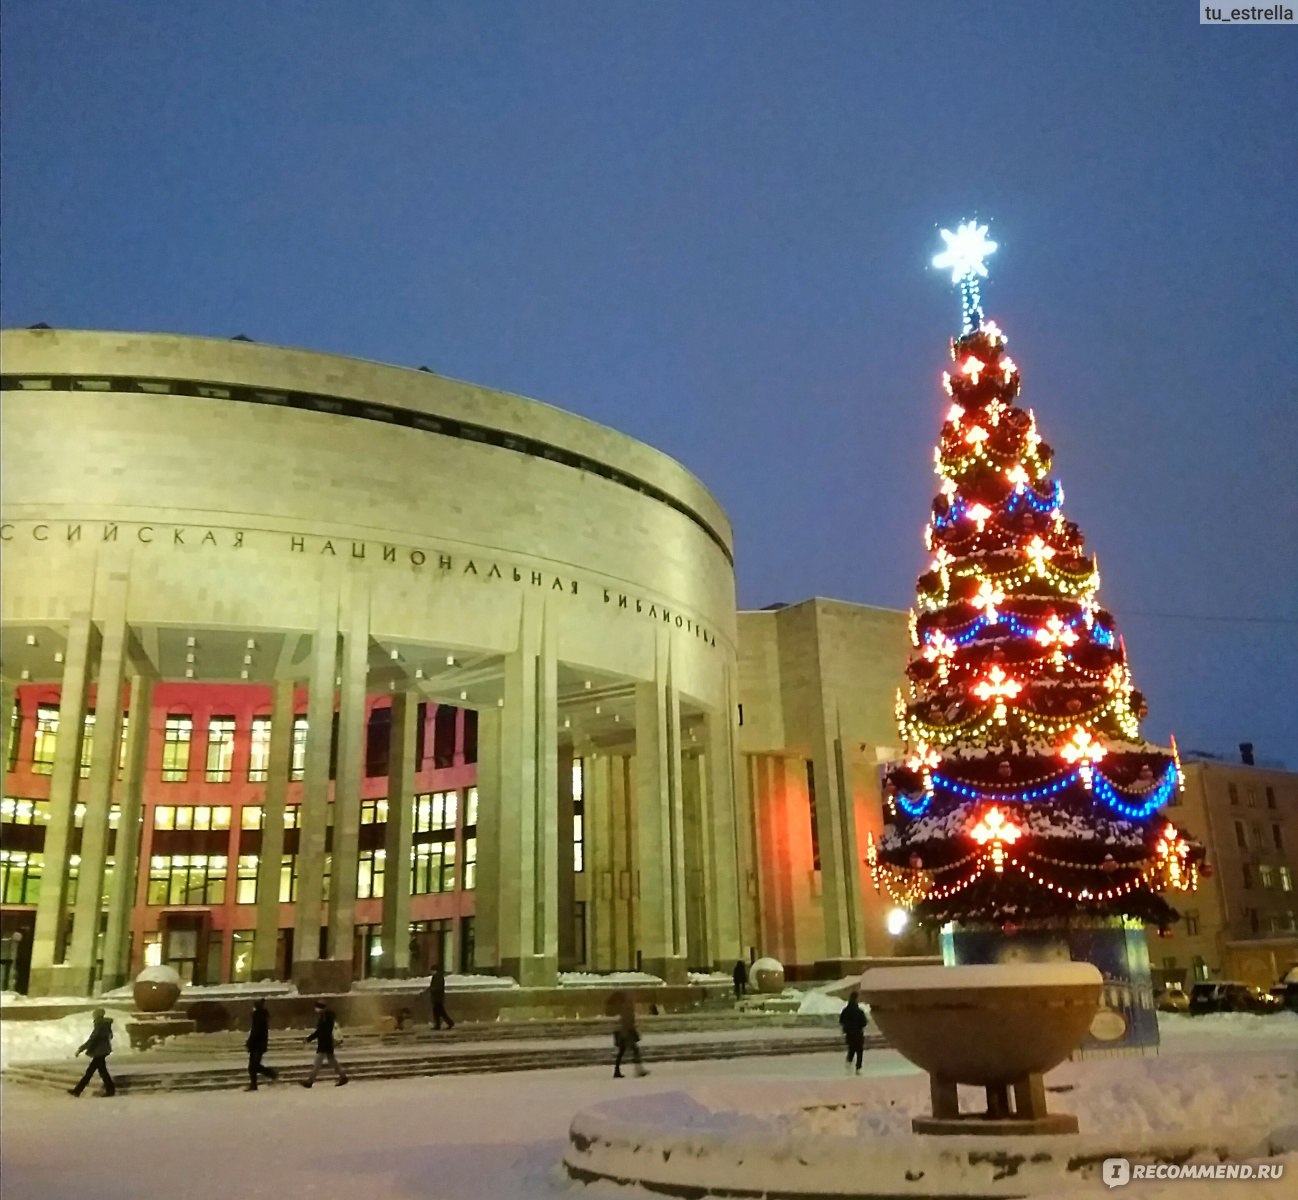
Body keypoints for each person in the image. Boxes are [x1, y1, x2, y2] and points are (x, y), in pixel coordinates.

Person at [69, 1008, 116, 1097]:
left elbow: (93, 1039)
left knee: (90, 1072)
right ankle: (110, 1090)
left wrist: (81, 1048)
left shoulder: (99, 1025)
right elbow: (110, 1036)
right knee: (101, 1072)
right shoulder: (106, 1025)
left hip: (99, 1052)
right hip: (102, 1051)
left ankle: (78, 1090)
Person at [300, 1000, 349, 1088]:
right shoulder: (324, 1016)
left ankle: (310, 1081)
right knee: (332, 1061)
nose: (316, 1009)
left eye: (317, 1007)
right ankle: (343, 1077)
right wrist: (309, 1038)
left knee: (317, 1063)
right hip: (325, 1043)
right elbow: (319, 1031)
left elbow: (323, 1031)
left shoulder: (326, 1017)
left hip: (325, 1044)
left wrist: (311, 1039)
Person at [244, 998, 279, 1091]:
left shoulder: (258, 1016)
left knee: (253, 1066)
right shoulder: (262, 1016)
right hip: (259, 1044)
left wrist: (250, 1042)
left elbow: (255, 1031)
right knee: (253, 1066)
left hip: (257, 1044)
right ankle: (255, 1083)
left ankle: (271, 1074)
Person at [612, 994, 648, 1079]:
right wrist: (626, 1034)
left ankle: (617, 1071)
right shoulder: (627, 1009)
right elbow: (626, 1022)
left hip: (626, 1032)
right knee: (634, 1050)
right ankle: (638, 1070)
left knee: (622, 1052)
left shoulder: (626, 1008)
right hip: (627, 1033)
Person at [839, 991, 868, 1075]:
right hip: (858, 1033)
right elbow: (864, 1022)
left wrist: (846, 1028)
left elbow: (841, 1020)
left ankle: (849, 1062)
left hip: (849, 1033)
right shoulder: (859, 1011)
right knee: (859, 1050)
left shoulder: (845, 1010)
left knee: (851, 1048)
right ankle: (858, 1067)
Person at [429, 965, 455, 1031]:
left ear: (435, 970)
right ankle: (445, 1023)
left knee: (439, 1012)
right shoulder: (437, 976)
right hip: (438, 997)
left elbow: (438, 987)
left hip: (437, 997)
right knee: (439, 1012)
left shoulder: (438, 977)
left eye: (432, 971)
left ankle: (445, 1024)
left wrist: (432, 989)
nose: (431, 972)